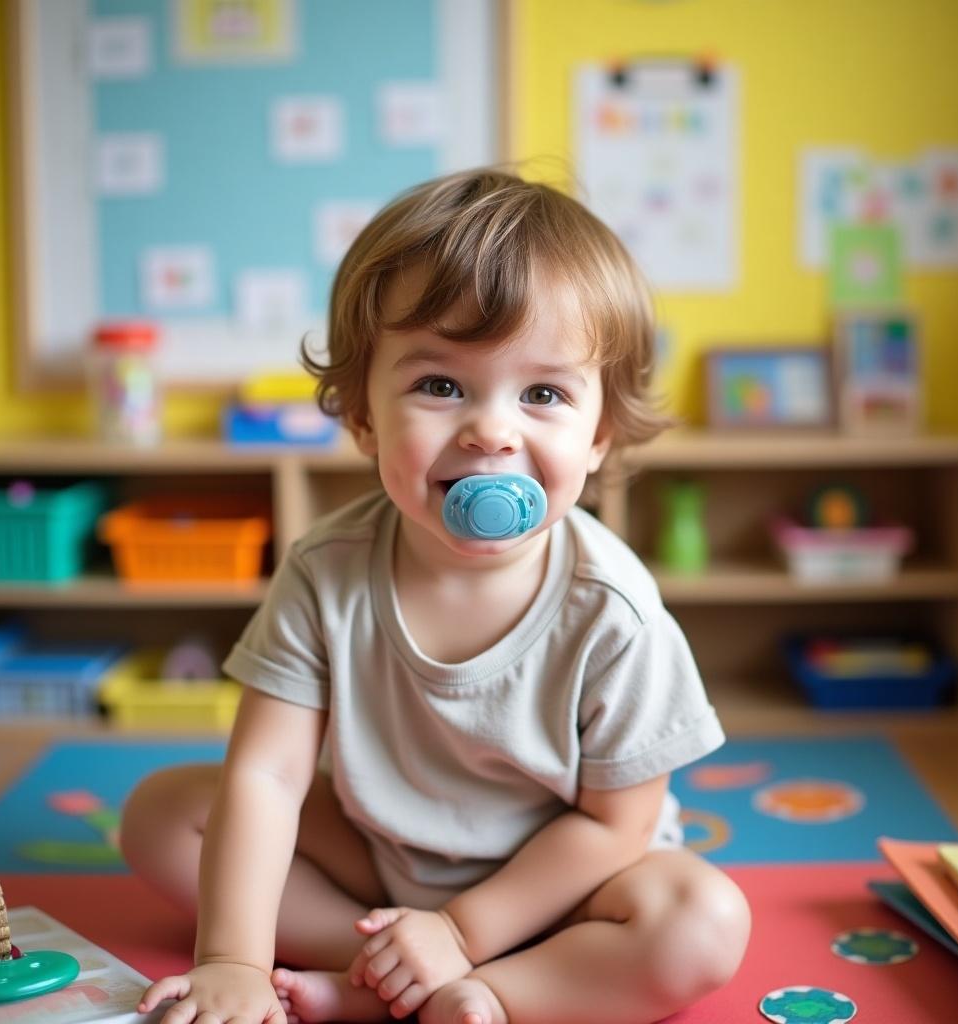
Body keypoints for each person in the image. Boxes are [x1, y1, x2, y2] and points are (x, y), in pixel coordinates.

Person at [121, 168, 750, 1024]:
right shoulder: (326, 568)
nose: (492, 428)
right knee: (163, 815)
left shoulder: (615, 612)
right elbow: (269, 774)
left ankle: (487, 990)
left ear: (598, 434)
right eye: (441, 385)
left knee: (702, 923)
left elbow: (615, 830)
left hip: (559, 894)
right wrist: (232, 958)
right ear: (363, 416)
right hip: (379, 859)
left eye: (543, 394)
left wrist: (463, 930)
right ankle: (388, 968)